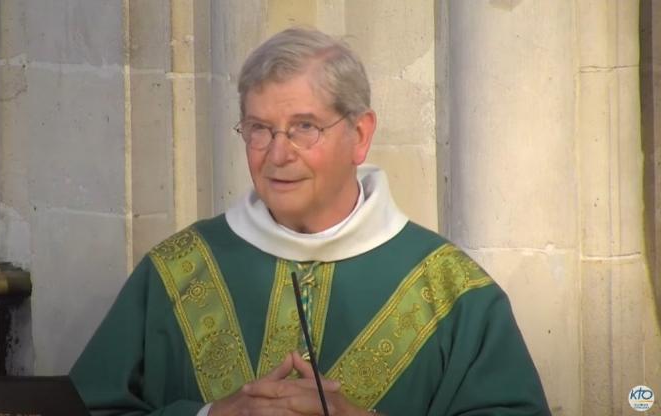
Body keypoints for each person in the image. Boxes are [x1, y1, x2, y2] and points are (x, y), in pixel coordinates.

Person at [70, 28, 550, 415]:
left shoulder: (454, 292)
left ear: (360, 135)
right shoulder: (175, 271)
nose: (278, 154)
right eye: (259, 129)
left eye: (305, 127)